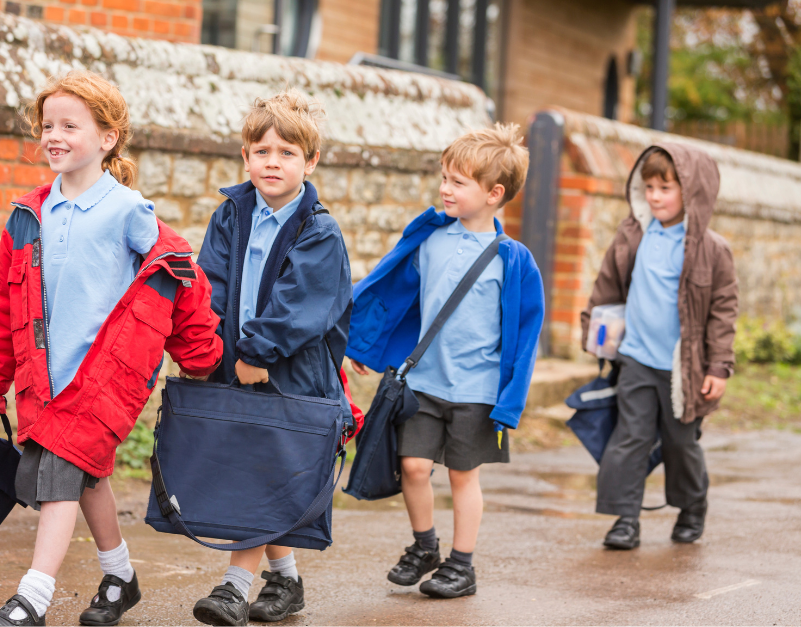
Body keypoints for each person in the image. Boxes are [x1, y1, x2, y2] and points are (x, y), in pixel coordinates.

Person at [0, 70, 223, 626]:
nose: (53, 136)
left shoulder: (128, 210)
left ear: (107, 139)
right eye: (47, 125)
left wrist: (201, 355)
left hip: (105, 377)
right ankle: (120, 577)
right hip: (43, 377)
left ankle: (31, 598)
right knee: (88, 475)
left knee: (60, 471)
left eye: (69, 125)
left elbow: (183, 278)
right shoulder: (27, 215)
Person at [347, 124, 544, 598]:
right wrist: (364, 346)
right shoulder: (430, 239)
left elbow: (526, 334)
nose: (444, 188)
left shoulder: (512, 260)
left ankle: (462, 564)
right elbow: (394, 294)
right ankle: (424, 546)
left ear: (494, 194)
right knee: (412, 466)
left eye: (458, 181)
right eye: (444, 177)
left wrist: (510, 399)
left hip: (476, 389)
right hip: (423, 383)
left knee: (462, 475)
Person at [190, 90, 353, 626]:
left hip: (289, 374)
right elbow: (210, 282)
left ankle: (234, 587)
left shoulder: (319, 230)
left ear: (311, 161)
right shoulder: (230, 215)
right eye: (262, 151)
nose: (273, 162)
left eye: (287, 153)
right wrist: (211, 347)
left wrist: (257, 352)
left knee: (263, 473)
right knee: (258, 473)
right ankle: (285, 580)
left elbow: (301, 304)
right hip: (235, 368)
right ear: (245, 156)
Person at [581, 143, 738, 550]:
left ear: (692, 190)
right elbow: (608, 286)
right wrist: (594, 330)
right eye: (649, 186)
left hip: (683, 368)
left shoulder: (712, 249)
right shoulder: (633, 233)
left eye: (665, 188)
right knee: (629, 437)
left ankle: (692, 506)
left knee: (680, 442)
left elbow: (723, 312)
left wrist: (718, 366)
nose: (654, 196)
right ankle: (625, 519)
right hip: (636, 358)